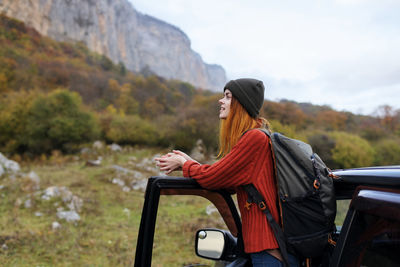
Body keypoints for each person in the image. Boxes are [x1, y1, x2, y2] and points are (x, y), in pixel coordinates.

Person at [155, 78, 298, 267]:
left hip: (268, 251)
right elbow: (225, 181)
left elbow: (212, 178)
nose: (221, 101)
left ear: (241, 103)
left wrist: (185, 163)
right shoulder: (257, 138)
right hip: (266, 248)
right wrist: (189, 163)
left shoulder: (255, 138)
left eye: (228, 97)